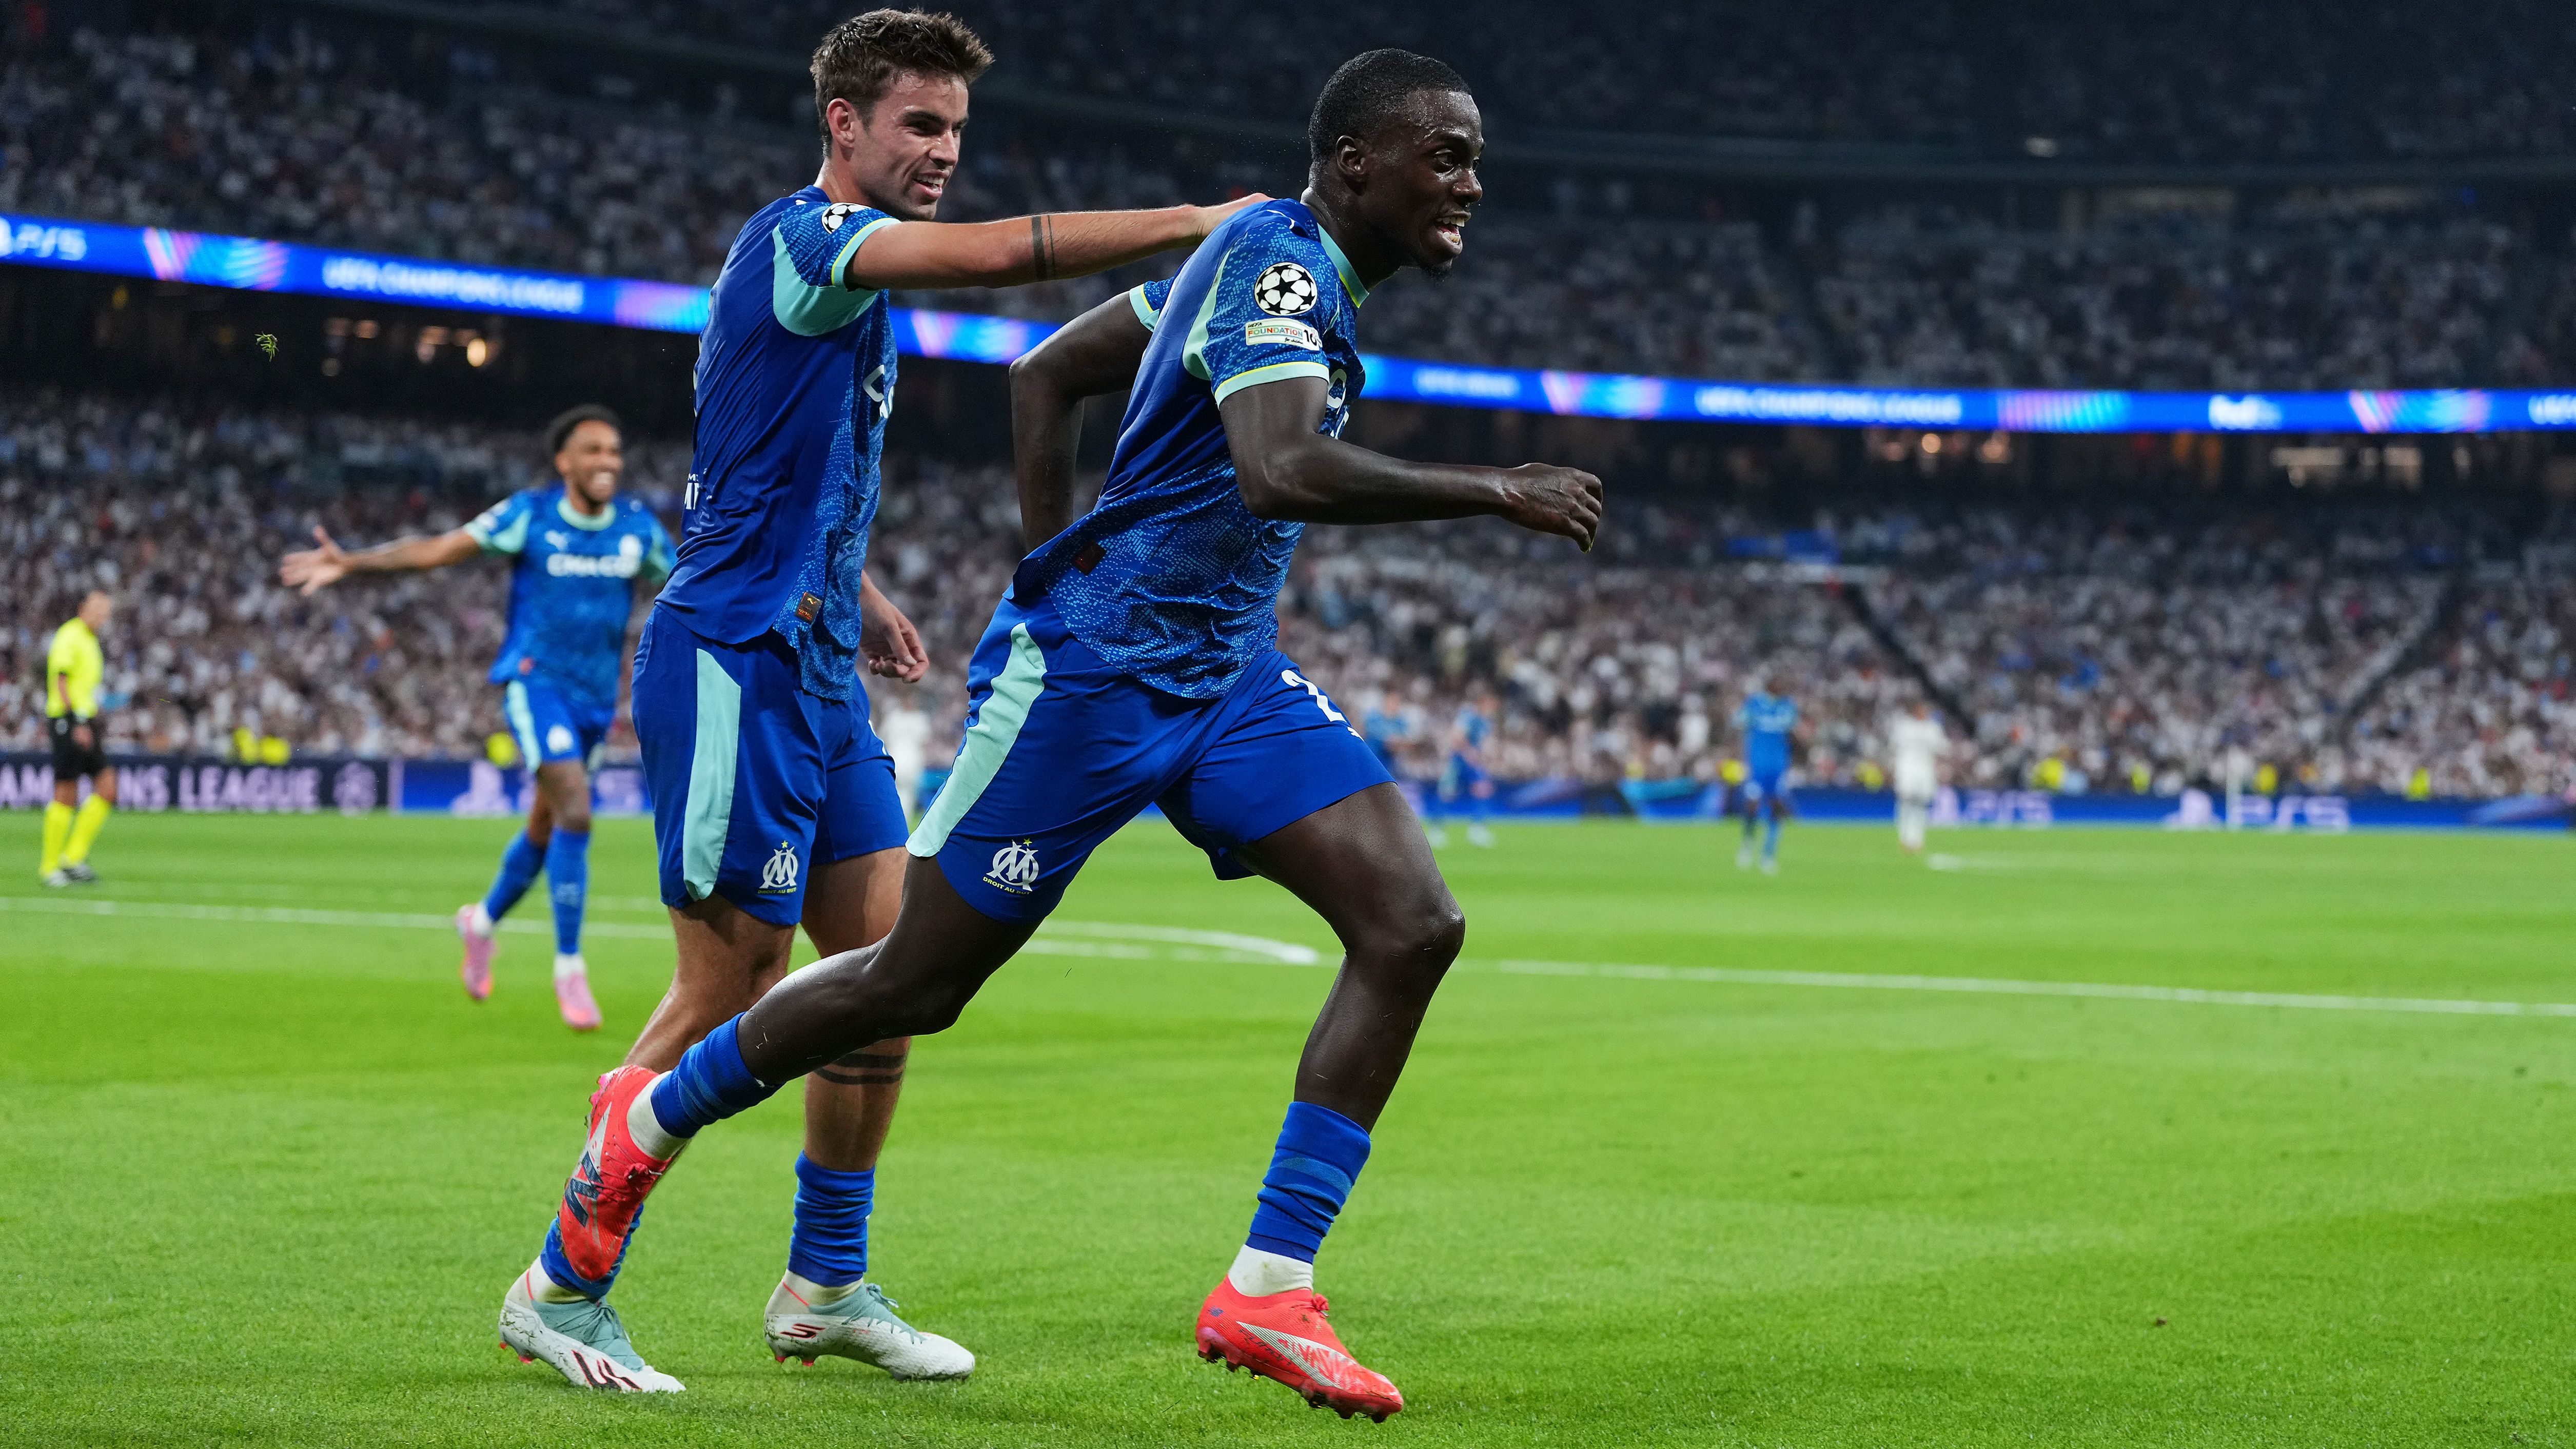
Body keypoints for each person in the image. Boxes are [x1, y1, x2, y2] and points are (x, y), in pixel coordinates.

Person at [523, 48, 1600, 1422]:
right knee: (909, 982)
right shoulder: (1272, 263)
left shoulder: (1289, 278)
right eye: (1442, 156)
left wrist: (1046, 558)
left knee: (1411, 923)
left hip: (1222, 677)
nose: (1469, 182)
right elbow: (1277, 465)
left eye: (1473, 157)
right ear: (1352, 163)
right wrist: (1490, 488)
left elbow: (1045, 372)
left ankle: (1266, 1286)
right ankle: (650, 1120)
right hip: (1083, 683)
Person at [485, 8, 1270, 1395]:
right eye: (918, 125)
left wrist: (852, 594)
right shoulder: (803, 242)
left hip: (814, 668)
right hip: (728, 660)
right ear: (842, 124)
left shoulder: (846, 293)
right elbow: (991, 258)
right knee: (732, 990)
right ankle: (561, 1281)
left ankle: (824, 1284)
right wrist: (1200, 222)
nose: (941, 153)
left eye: (955, 133)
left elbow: (766, 464)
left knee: (889, 977)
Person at [282, 405, 671, 1032]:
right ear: (564, 462)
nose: (608, 462)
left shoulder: (636, 528)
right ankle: (569, 967)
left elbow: (686, 584)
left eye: (614, 452)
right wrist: (355, 562)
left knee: (547, 827)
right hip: (534, 681)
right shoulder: (531, 514)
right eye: (593, 451)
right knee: (575, 808)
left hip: (598, 700)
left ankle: (482, 922)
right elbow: (440, 549)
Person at [38, 590, 115, 887]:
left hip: (85, 722)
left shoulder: (90, 639)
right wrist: (75, 721)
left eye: (105, 611)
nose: (101, 615)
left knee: (107, 788)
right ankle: (50, 867)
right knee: (66, 793)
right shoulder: (70, 636)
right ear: (82, 607)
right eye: (97, 608)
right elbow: (61, 680)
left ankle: (73, 858)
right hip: (68, 722)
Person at [1735, 676, 1798, 874]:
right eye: (1778, 684)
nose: (1782, 687)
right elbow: (1737, 721)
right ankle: (1748, 844)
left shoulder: (1788, 706)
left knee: (1777, 807)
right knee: (1752, 805)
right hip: (1757, 764)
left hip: (1778, 765)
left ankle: (1768, 855)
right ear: (1770, 686)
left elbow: (1793, 726)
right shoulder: (1754, 704)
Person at [1431, 689, 1499, 847]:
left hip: (1474, 762)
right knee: (1446, 793)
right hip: (1458, 760)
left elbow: (1484, 743)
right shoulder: (1468, 715)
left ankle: (1477, 829)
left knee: (1483, 790)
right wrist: (1469, 751)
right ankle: (1437, 830)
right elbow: (1456, 736)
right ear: (1483, 703)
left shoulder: (1487, 721)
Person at [1889, 699, 1946, 853]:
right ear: (1915, 711)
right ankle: (1904, 836)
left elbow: (1941, 748)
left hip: (1925, 769)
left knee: (1922, 803)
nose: (1924, 713)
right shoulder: (1904, 726)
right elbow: (1895, 747)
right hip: (1907, 768)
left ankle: (1917, 838)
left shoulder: (1933, 728)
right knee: (1906, 801)